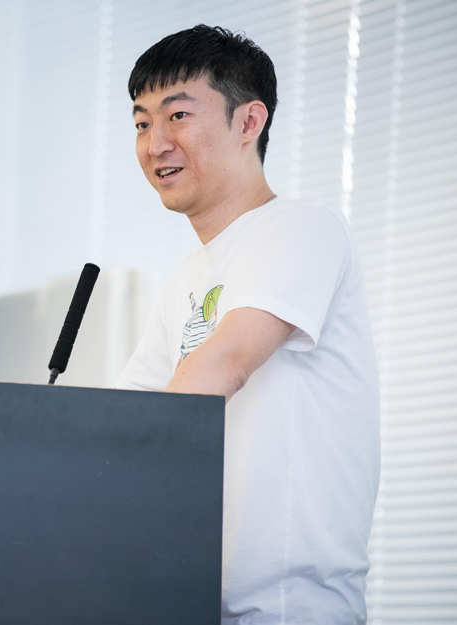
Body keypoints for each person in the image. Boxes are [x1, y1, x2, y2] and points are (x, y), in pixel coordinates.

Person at [115, 25, 380, 624]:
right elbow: (127, 415)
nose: (156, 143)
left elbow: (226, 362)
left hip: (290, 610)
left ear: (248, 122)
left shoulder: (305, 226)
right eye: (141, 123)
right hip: (192, 602)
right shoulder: (185, 278)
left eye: (177, 115)